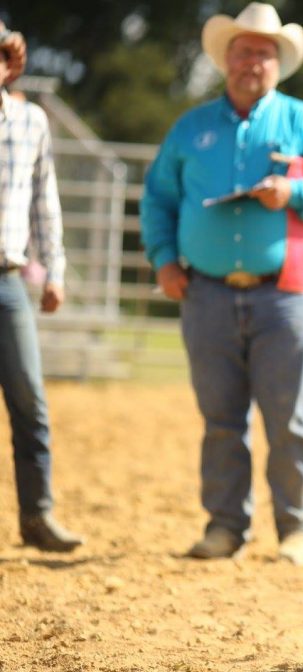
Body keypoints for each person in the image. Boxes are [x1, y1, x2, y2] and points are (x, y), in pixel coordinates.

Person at [140, 2, 303, 566]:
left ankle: (299, 529)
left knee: (288, 416)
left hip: (283, 291)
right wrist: (164, 259)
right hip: (205, 290)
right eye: (244, 52)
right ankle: (224, 528)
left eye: (264, 53)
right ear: (226, 60)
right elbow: (158, 200)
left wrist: (295, 194)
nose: (253, 62)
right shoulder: (190, 129)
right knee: (220, 418)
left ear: (278, 62)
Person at [0, 23, 84, 552]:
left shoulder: (30, 122)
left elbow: (43, 203)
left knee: (30, 400)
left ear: (8, 63)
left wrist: (54, 270)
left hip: (8, 281)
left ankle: (37, 516)